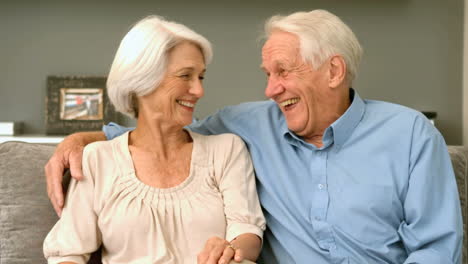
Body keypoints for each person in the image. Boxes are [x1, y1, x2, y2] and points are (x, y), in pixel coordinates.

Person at [45, 9, 463, 264]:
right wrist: (83, 138)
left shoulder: (410, 134)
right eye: (268, 75)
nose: (270, 90)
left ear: (333, 72)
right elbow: (159, 132)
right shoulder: (248, 125)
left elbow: (436, 249)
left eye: (284, 72)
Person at [43, 15, 266, 264]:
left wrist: (229, 249)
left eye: (201, 77)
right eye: (185, 76)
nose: (199, 91)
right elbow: (68, 253)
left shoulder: (226, 150)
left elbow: (247, 231)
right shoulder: (97, 159)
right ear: (142, 80)